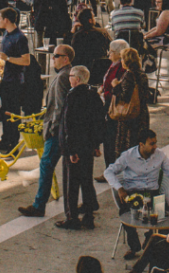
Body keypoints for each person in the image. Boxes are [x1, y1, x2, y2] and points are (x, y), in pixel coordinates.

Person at [104, 129, 169, 261]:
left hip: (152, 192)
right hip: (133, 192)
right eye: (151, 144)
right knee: (125, 213)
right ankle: (134, 246)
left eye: (155, 143)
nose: (155, 146)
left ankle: (150, 239)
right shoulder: (127, 156)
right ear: (141, 144)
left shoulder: (160, 155)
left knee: (168, 217)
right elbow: (108, 172)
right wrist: (120, 188)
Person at [18, 44, 73, 218]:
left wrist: (52, 128)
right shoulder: (65, 75)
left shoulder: (63, 77)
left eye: (56, 56)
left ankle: (39, 205)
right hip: (60, 129)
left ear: (66, 59)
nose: (53, 58)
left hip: (57, 131)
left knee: (46, 165)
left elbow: (60, 106)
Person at [57, 65, 106, 230]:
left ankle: (72, 218)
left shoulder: (72, 96)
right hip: (88, 147)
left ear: (76, 79)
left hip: (75, 149)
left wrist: (71, 150)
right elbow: (99, 123)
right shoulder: (94, 95)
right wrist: (96, 145)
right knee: (86, 180)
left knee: (71, 184)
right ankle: (89, 216)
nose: (69, 78)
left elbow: (69, 125)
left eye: (71, 76)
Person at [0, 8, 31, 151]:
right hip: (5, 79)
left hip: (15, 81)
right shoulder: (6, 34)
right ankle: (6, 138)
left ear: (6, 20)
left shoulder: (20, 38)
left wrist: (8, 59)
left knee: (14, 112)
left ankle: (14, 142)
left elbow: (26, 61)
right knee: (5, 111)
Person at [111, 47, 151, 155]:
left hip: (130, 117)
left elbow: (124, 97)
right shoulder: (142, 75)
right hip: (142, 114)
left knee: (128, 146)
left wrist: (115, 86)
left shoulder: (128, 75)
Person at [98, 38, 128, 176]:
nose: (108, 54)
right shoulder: (114, 65)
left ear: (117, 53)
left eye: (111, 51)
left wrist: (106, 92)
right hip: (109, 104)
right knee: (108, 138)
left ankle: (111, 171)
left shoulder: (121, 68)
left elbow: (118, 88)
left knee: (111, 139)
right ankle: (109, 169)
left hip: (113, 106)